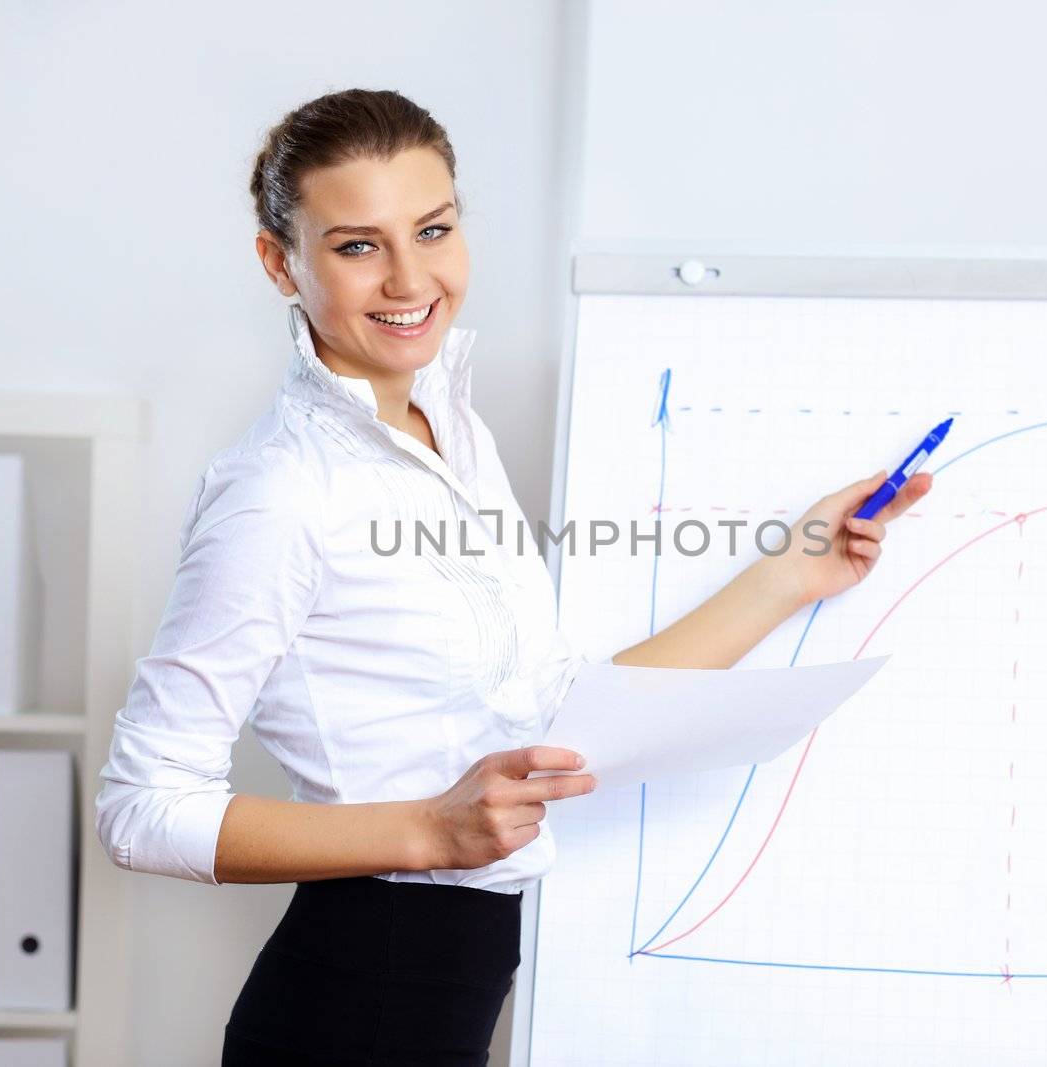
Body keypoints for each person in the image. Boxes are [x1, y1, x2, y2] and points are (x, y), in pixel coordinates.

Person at [93, 87, 931, 1066]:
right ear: (279, 261)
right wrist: (430, 830)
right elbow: (140, 807)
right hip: (351, 1007)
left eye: (433, 229)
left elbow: (553, 722)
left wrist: (791, 573)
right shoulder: (278, 491)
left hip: (439, 999)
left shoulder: (449, 428)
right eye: (357, 245)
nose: (410, 277)